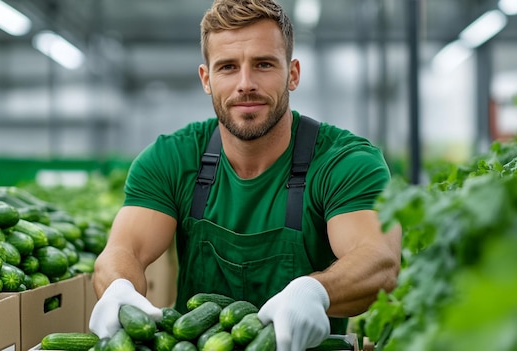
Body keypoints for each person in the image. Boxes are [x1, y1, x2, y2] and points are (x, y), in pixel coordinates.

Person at [88, 0, 402, 350]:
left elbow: (379, 261)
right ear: (207, 79)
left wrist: (315, 291)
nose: (245, 84)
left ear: (293, 73)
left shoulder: (345, 162)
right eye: (227, 67)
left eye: (264, 64)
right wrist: (119, 288)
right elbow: (124, 250)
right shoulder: (170, 159)